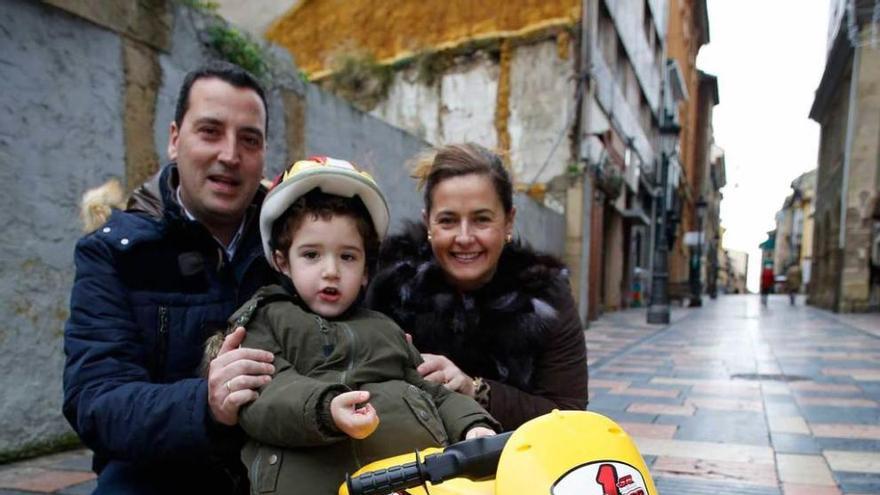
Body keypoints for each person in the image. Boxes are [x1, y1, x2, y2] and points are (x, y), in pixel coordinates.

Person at [210, 157, 498, 493]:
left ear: (365, 272)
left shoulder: (385, 328)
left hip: (414, 484)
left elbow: (432, 390)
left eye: (347, 256)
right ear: (281, 261)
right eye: (311, 255)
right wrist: (326, 408)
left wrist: (472, 427)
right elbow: (266, 392)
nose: (331, 271)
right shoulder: (265, 318)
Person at [62, 61, 277, 494]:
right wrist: (206, 404)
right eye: (210, 131)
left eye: (249, 139)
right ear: (175, 140)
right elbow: (97, 401)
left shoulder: (296, 246)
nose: (230, 155)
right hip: (156, 473)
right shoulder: (113, 253)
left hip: (279, 464)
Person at [367, 143, 589, 431]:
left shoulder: (545, 296)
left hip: (512, 463)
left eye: (481, 220)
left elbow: (569, 414)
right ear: (428, 223)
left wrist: (476, 390)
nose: (464, 237)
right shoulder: (386, 285)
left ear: (508, 221)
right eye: (447, 221)